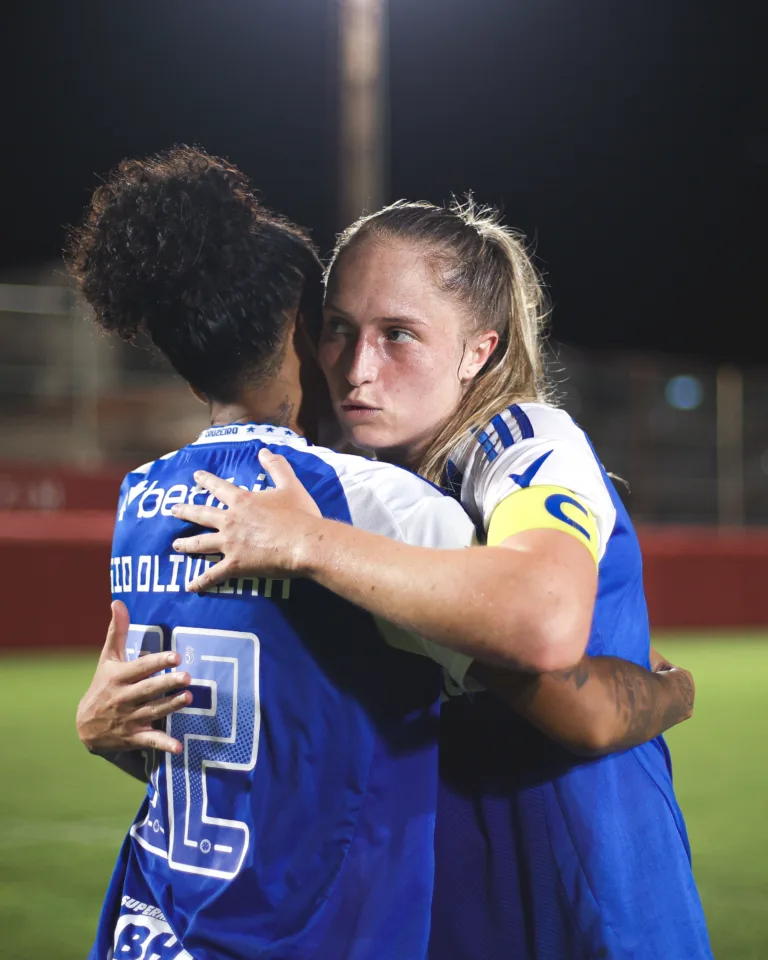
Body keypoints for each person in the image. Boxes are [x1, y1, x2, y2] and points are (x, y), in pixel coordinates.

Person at [173, 199, 712, 958]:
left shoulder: (525, 443)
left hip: (587, 878)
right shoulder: (349, 479)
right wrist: (115, 723)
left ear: (477, 352)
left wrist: (313, 544)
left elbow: (548, 620)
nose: (358, 369)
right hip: (429, 884)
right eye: (339, 328)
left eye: (399, 336)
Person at [66, 147, 491, 960]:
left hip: (153, 924)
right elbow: (536, 653)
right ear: (305, 331)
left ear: (194, 373)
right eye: (335, 325)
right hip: (310, 934)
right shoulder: (362, 500)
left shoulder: (139, 502)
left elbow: (203, 742)